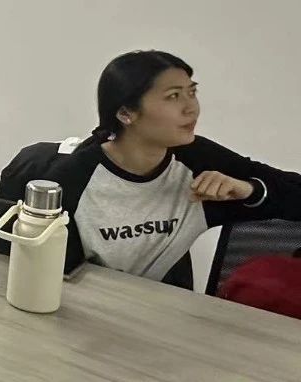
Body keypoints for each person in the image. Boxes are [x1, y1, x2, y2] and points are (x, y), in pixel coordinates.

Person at [44, 50, 301, 288]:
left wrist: (249, 190)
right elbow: (51, 278)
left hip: (166, 311)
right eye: (173, 96)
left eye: (192, 92)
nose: (191, 108)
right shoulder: (72, 179)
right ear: (125, 113)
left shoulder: (197, 160)